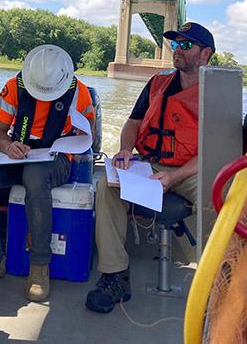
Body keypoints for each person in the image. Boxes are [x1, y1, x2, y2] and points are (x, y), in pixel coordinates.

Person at [86, 21, 215, 314]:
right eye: (175, 44)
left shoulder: (217, 92)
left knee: (218, 193)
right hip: (150, 162)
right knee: (107, 187)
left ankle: (214, 278)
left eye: (185, 45)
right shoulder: (157, 83)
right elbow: (133, 123)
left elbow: (213, 149)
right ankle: (115, 275)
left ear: (205, 54)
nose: (176, 50)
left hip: (191, 169)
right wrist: (124, 151)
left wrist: (174, 177)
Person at [0, 44, 95, 302]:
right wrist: (8, 146)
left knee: (35, 176)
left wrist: (70, 143)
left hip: (56, 160)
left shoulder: (78, 93)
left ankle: (39, 267)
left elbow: (86, 136)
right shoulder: (14, 87)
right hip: (17, 155)